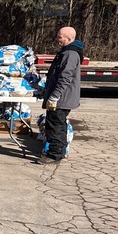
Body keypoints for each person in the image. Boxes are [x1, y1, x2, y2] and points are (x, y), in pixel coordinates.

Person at [40, 25, 83, 162]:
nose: (57, 39)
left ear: (69, 38)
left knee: (55, 126)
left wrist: (54, 96)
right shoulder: (66, 51)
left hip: (62, 99)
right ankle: (59, 151)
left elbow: (65, 78)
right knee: (58, 124)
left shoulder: (70, 54)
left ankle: (55, 155)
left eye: (60, 37)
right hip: (62, 97)